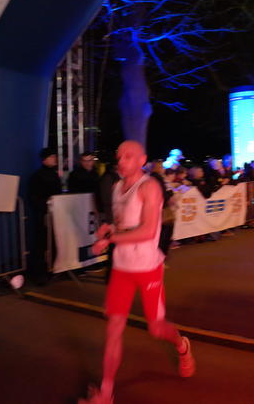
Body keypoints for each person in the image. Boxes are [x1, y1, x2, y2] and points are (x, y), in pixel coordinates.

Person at [80, 141, 195, 404]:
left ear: (142, 159)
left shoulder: (149, 186)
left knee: (156, 328)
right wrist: (108, 229)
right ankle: (106, 393)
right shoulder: (116, 187)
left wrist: (109, 240)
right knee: (113, 330)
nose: (121, 161)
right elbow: (121, 224)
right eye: (119, 156)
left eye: (128, 156)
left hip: (147, 268)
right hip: (121, 268)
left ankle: (182, 345)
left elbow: (147, 230)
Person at [27, 148, 62, 283]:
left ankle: (52, 269)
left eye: (55, 156)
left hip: (54, 214)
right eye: (52, 157)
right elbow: (33, 197)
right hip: (43, 215)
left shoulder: (54, 174)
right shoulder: (37, 176)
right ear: (44, 159)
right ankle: (39, 274)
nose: (54, 159)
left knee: (54, 242)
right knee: (41, 244)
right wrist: (46, 204)